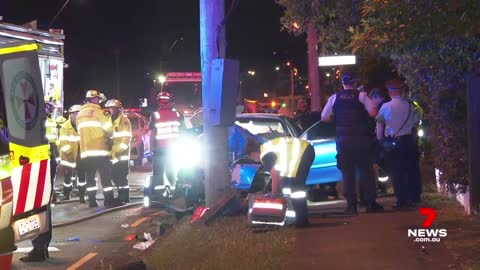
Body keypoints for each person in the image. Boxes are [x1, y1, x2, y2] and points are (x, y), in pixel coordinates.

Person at [321, 71, 384, 215]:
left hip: (343, 140)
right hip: (361, 138)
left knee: (347, 172)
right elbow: (373, 113)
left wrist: (337, 121)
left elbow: (324, 117)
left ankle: (351, 206)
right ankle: (370, 203)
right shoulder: (361, 96)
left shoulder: (334, 98)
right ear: (355, 83)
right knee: (366, 171)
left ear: (343, 83)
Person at [19, 102, 58, 262]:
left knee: (36, 207)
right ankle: (42, 248)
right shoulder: (42, 120)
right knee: (42, 206)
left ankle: (39, 248)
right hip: (45, 161)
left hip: (38, 163)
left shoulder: (33, 122)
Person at [376, 79, 422, 209]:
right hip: (409, 141)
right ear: (401, 91)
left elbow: (379, 126)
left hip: (394, 143)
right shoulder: (411, 105)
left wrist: (381, 140)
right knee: (411, 169)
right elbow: (416, 123)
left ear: (390, 92)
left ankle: (401, 200)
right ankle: (413, 196)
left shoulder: (385, 107)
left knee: (397, 172)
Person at [259, 137, 315, 227]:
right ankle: (292, 219)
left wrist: (274, 194)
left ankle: (302, 221)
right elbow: (279, 175)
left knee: (297, 190)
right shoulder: (267, 148)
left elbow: (275, 175)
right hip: (305, 150)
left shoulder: (265, 155)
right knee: (287, 186)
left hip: (304, 152)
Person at [76, 90, 115, 207]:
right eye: (98, 99)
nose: (99, 101)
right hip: (100, 150)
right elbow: (109, 129)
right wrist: (111, 139)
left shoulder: (79, 114)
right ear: (94, 99)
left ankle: (92, 201)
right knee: (105, 177)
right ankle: (109, 200)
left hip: (86, 152)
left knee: (90, 178)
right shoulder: (99, 112)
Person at [149, 91, 182, 195]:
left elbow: (152, 134)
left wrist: (151, 148)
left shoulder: (155, 115)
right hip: (173, 150)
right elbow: (185, 132)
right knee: (172, 172)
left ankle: (158, 197)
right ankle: (174, 194)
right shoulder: (178, 115)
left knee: (158, 173)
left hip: (160, 150)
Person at [105, 99, 132, 203]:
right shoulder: (109, 120)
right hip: (113, 154)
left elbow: (126, 139)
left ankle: (124, 197)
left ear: (118, 109)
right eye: (110, 108)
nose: (111, 110)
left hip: (122, 154)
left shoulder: (124, 121)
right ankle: (121, 196)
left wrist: (117, 149)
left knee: (121, 177)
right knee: (114, 176)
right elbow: (106, 133)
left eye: (114, 108)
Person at [58, 104, 85, 202]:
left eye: (79, 114)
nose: (77, 116)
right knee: (67, 179)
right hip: (67, 157)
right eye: (75, 114)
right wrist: (69, 154)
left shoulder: (82, 126)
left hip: (80, 156)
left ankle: (82, 196)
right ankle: (66, 194)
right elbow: (63, 142)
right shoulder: (65, 126)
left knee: (82, 177)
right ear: (71, 115)